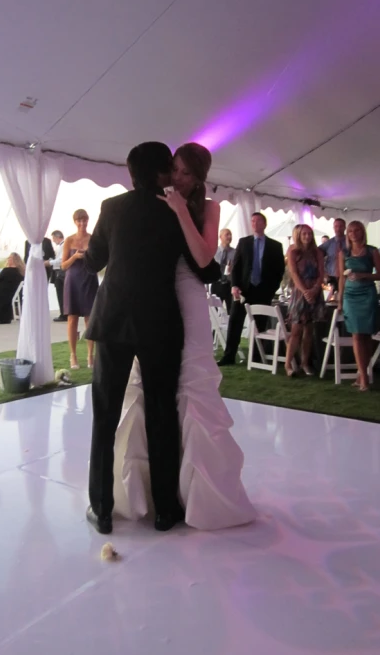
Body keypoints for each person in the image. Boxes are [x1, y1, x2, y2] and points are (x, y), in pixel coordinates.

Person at [112, 143, 256, 531]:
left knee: (192, 388)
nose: (177, 177)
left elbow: (206, 259)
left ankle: (200, 496)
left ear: (199, 178)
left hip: (188, 299)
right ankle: (151, 492)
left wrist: (179, 211)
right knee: (148, 392)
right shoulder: (152, 200)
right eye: (174, 169)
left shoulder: (208, 208)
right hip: (154, 299)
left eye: (186, 173)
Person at [83, 142, 220, 535]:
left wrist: (78, 252)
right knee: (162, 415)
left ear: (131, 173)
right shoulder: (174, 210)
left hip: (112, 322)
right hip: (160, 323)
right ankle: (164, 511)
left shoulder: (112, 208)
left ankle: (102, 509)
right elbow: (204, 268)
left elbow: (95, 260)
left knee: (104, 417)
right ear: (162, 172)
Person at [218, 212, 285, 366]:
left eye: (258, 221)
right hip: (244, 290)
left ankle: (256, 357)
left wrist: (271, 289)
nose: (255, 224)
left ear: (264, 224)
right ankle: (229, 356)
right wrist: (234, 285)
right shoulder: (244, 242)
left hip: (263, 291)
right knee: (235, 322)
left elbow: (279, 271)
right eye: (252, 221)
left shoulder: (275, 246)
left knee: (260, 325)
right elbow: (236, 267)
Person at [338, 221, 380, 392]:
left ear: (362, 232)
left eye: (357, 230)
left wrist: (364, 275)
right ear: (347, 234)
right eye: (350, 231)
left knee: (367, 336)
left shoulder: (372, 251)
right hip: (350, 296)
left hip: (368, 294)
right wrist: (340, 299)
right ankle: (364, 376)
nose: (353, 233)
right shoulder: (343, 253)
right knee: (356, 335)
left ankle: (361, 372)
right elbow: (341, 278)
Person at [285, 224, 325, 377]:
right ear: (299, 236)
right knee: (296, 329)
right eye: (304, 234)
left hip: (315, 290)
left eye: (309, 234)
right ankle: (288, 364)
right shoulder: (293, 251)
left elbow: (321, 273)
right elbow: (294, 274)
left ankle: (304, 363)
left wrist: (315, 289)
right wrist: (305, 292)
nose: (307, 236)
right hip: (299, 291)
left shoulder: (317, 252)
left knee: (309, 330)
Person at [62, 210, 99, 370]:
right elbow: (63, 265)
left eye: (84, 220)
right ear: (75, 222)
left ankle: (90, 355)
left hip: (89, 278)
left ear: (88, 221)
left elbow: (99, 261)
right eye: (79, 221)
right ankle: (73, 355)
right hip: (73, 280)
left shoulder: (93, 239)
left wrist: (90, 257)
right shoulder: (69, 240)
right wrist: (75, 257)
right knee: (72, 318)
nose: (82, 223)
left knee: (90, 318)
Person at [319, 218, 347, 294]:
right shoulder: (328, 243)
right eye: (336, 226)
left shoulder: (350, 241)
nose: (338, 228)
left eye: (341, 226)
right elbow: (317, 255)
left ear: (345, 227)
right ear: (333, 228)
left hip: (346, 276)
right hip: (332, 276)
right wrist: (323, 272)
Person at [45, 230, 67, 322]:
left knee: (61, 293)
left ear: (57, 237)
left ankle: (64, 313)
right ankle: (65, 312)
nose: (53, 241)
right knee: (62, 293)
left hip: (60, 271)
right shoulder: (61, 246)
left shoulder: (63, 246)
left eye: (54, 238)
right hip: (59, 270)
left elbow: (61, 260)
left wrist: (49, 262)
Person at [211, 228, 235, 311]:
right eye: (227, 234)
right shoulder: (213, 252)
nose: (229, 236)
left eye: (230, 234)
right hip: (216, 284)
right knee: (217, 312)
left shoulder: (235, 253)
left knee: (231, 312)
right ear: (220, 237)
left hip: (229, 285)